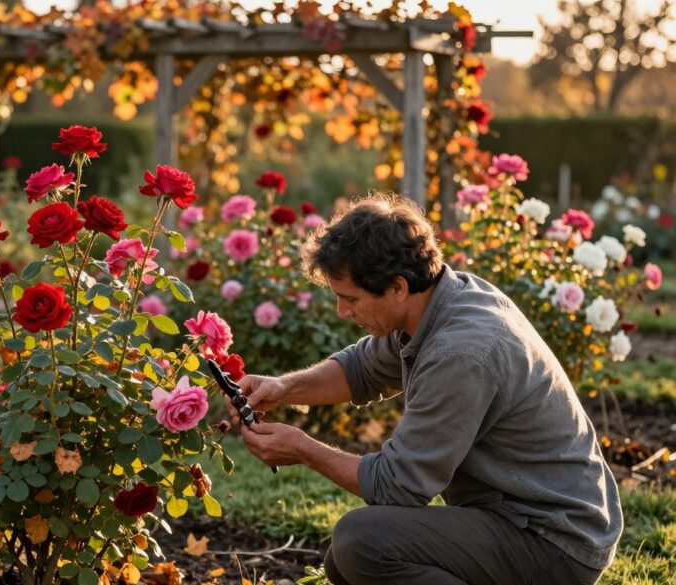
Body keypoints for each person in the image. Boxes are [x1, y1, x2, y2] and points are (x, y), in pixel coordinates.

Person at [227, 193, 622, 585]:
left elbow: (397, 486)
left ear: (397, 287)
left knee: (363, 543)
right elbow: (362, 369)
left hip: (553, 540)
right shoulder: (440, 301)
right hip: (521, 516)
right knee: (345, 563)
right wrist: (283, 387)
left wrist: (303, 449)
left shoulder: (463, 352)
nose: (342, 312)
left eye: (351, 299)